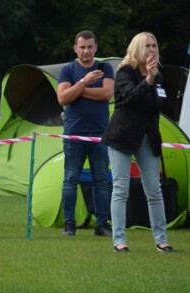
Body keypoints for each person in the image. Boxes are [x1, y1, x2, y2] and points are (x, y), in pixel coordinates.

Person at [101, 32, 174, 253]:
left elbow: (157, 106)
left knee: (154, 190)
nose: (151, 50)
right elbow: (130, 98)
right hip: (122, 136)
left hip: (147, 136)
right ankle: (119, 241)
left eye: (154, 45)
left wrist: (153, 79)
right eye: (147, 46)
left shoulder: (158, 76)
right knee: (121, 188)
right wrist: (148, 80)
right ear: (137, 48)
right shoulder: (125, 72)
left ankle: (162, 240)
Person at [56, 30, 114, 237]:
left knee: (101, 179)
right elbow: (62, 99)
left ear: (96, 48)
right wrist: (84, 82)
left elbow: (107, 93)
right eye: (82, 47)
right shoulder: (67, 70)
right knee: (71, 179)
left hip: (100, 134)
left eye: (90, 47)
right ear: (75, 48)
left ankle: (102, 225)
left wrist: (77, 91)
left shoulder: (105, 67)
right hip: (74, 133)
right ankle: (69, 225)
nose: (87, 51)